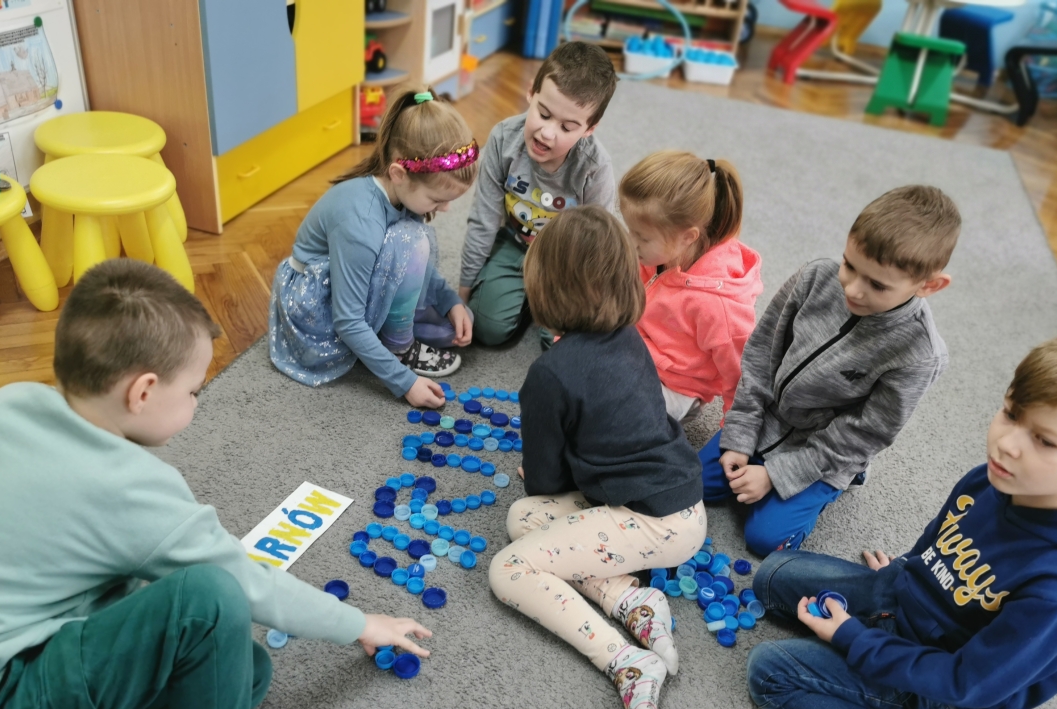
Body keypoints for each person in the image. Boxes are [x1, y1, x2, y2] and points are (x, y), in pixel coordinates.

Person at [0, 260, 432, 709]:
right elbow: (246, 584)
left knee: (244, 674)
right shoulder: (128, 489)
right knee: (207, 599)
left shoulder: (5, 404)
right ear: (142, 392)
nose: (195, 404)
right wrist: (361, 623)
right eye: (192, 392)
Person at [745, 324, 1057, 709]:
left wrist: (854, 638)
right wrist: (909, 572)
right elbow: (940, 536)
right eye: (1010, 413)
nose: (1007, 444)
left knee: (770, 672)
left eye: (1044, 440)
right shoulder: (996, 477)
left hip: (942, 683)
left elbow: (968, 683)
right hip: (904, 598)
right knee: (771, 576)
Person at [488, 207, 706, 709]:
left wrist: (541, 470)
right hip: (680, 505)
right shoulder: (628, 335)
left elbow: (543, 478)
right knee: (522, 520)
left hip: (650, 523)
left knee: (509, 568)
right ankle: (633, 602)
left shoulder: (550, 373)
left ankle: (626, 663)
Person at [701, 185, 959, 556]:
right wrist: (741, 434)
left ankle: (845, 480)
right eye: (849, 265)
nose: (853, 289)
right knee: (691, 483)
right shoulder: (815, 278)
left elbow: (865, 433)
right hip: (768, 419)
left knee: (765, 539)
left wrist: (776, 475)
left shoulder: (920, 354)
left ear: (930, 285)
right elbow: (760, 356)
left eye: (877, 285)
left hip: (825, 452)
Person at [269, 89, 477, 410]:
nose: (446, 209)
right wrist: (405, 382)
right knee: (410, 239)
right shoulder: (361, 223)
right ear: (399, 174)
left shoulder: (400, 192)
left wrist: (450, 301)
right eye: (438, 200)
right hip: (316, 309)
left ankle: (391, 330)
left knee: (453, 327)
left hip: (352, 282)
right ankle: (399, 347)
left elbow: (412, 264)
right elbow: (348, 321)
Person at [459, 41, 617, 349]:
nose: (547, 133)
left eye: (567, 127)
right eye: (543, 114)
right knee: (486, 328)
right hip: (514, 243)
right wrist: (462, 294)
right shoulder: (503, 138)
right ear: (531, 92)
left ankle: (536, 300)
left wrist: (580, 294)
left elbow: (598, 244)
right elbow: (483, 220)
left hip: (566, 260)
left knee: (559, 341)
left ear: (589, 129)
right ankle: (526, 298)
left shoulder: (595, 167)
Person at [619, 151, 762, 423]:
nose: (631, 242)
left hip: (677, 388)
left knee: (604, 406)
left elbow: (741, 376)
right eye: (630, 230)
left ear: (687, 237)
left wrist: (734, 433)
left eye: (642, 237)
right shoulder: (655, 253)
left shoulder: (718, 306)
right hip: (636, 349)